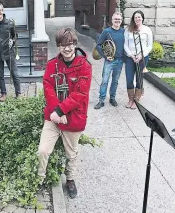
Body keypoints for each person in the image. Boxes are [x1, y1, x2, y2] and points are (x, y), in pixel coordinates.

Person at [37, 28, 92, 199]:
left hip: (73, 117)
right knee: (43, 151)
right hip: (54, 116)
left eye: (70, 45)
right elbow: (48, 87)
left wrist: (61, 110)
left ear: (75, 44)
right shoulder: (51, 64)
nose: (66, 49)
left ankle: (70, 179)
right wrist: (56, 111)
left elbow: (80, 94)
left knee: (72, 153)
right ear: (58, 46)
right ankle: (39, 179)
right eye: (62, 45)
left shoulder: (85, 66)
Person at [0, 3, 21, 102]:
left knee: (14, 73)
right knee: (0, 75)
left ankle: (18, 93)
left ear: (3, 10)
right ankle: (3, 93)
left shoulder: (10, 23)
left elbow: (15, 35)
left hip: (9, 52)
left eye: (0, 10)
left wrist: (13, 41)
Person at [94, 12, 125, 109]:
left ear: (121, 21)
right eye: (115, 19)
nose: (117, 21)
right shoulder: (106, 32)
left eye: (119, 19)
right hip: (109, 60)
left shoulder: (124, 32)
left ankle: (112, 98)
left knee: (115, 81)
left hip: (119, 61)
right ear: (112, 20)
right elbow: (98, 45)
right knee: (104, 81)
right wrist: (105, 56)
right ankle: (101, 100)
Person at [123, 10, 153, 109]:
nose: (137, 19)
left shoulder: (147, 30)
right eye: (135, 17)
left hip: (142, 58)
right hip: (130, 58)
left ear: (142, 18)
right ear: (133, 19)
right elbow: (125, 44)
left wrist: (141, 55)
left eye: (139, 17)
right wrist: (131, 55)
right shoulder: (128, 29)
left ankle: (136, 100)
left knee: (139, 79)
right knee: (129, 79)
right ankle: (130, 99)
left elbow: (149, 46)